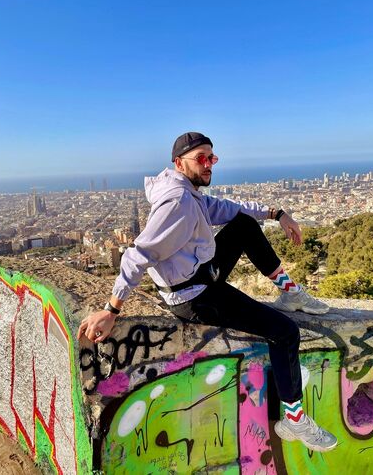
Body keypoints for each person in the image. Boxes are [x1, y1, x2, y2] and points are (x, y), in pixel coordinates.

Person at [78, 132, 337, 452]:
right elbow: (138, 255)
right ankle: (294, 420)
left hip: (199, 273)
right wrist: (111, 309)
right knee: (284, 332)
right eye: (201, 158)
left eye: (211, 157)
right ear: (179, 163)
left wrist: (276, 213)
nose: (209, 164)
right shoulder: (178, 202)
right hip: (194, 297)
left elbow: (230, 209)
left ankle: (290, 292)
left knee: (244, 225)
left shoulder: (190, 193)